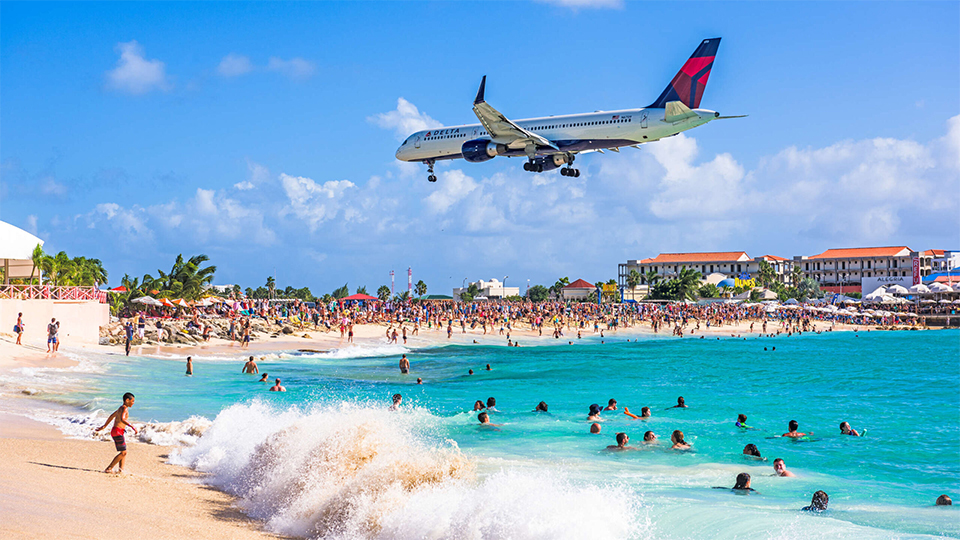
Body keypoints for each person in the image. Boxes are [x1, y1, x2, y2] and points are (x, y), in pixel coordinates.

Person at [94, 392, 138, 474]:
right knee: (124, 452)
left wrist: (104, 426)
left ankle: (121, 469)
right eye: (132, 401)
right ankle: (109, 468)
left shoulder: (120, 408)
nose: (133, 403)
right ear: (127, 400)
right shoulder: (125, 408)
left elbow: (112, 416)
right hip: (118, 431)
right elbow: (122, 419)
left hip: (115, 431)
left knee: (123, 452)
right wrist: (132, 426)